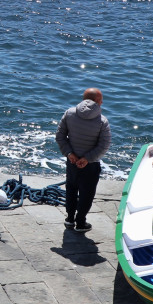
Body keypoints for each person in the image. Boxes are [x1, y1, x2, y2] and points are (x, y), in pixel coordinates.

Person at [55, 88, 110, 233]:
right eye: (101, 100)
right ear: (97, 102)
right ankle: (80, 222)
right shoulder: (102, 121)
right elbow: (104, 145)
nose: (102, 102)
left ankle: (69, 219)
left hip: (72, 161)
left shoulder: (69, 113)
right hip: (90, 165)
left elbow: (60, 136)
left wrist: (69, 153)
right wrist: (87, 159)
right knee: (87, 194)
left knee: (71, 189)